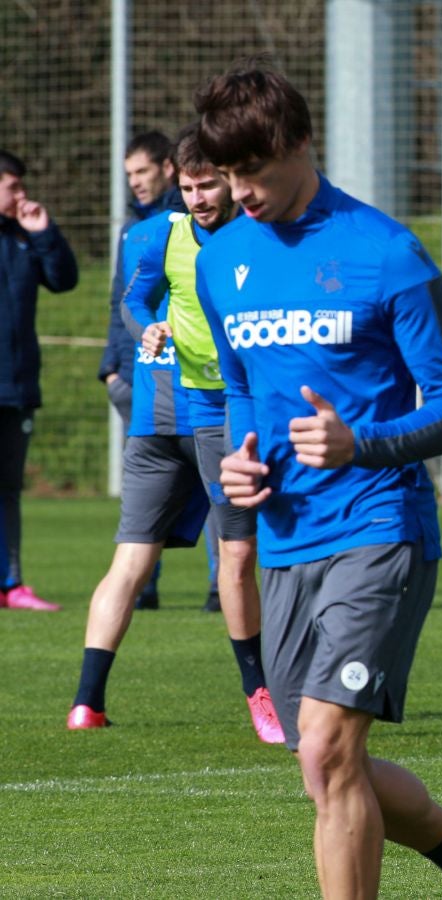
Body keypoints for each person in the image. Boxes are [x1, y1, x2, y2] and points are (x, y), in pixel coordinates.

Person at [194, 63, 442, 898]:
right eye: (227, 177)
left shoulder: (386, 253)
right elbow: (240, 387)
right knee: (323, 759)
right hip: (285, 537)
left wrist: (361, 443)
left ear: (301, 144)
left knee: (331, 747)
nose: (241, 194)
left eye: (253, 173)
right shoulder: (222, 259)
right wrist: (242, 459)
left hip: (381, 526)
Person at [69, 124, 283, 744]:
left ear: (232, 180)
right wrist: (146, 333)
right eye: (187, 187)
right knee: (145, 559)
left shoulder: (257, 235)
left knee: (240, 555)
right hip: (191, 410)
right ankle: (88, 699)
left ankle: (264, 693)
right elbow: (133, 303)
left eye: (206, 185)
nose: (196, 198)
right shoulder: (164, 236)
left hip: (231, 409)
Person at [98, 131, 220, 613]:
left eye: (142, 172)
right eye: (129, 175)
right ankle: (146, 588)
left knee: (221, 489)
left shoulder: (210, 225)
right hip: (141, 381)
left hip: (206, 383)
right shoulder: (137, 230)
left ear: (169, 168)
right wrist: (113, 368)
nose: (136, 182)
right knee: (145, 508)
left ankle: (219, 587)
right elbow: (123, 302)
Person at [0, 149, 79, 611]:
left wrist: (45, 233)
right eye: (13, 186)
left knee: (7, 489)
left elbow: (64, 279)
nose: (22, 194)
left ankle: (11, 584)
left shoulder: (24, 237)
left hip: (15, 388)